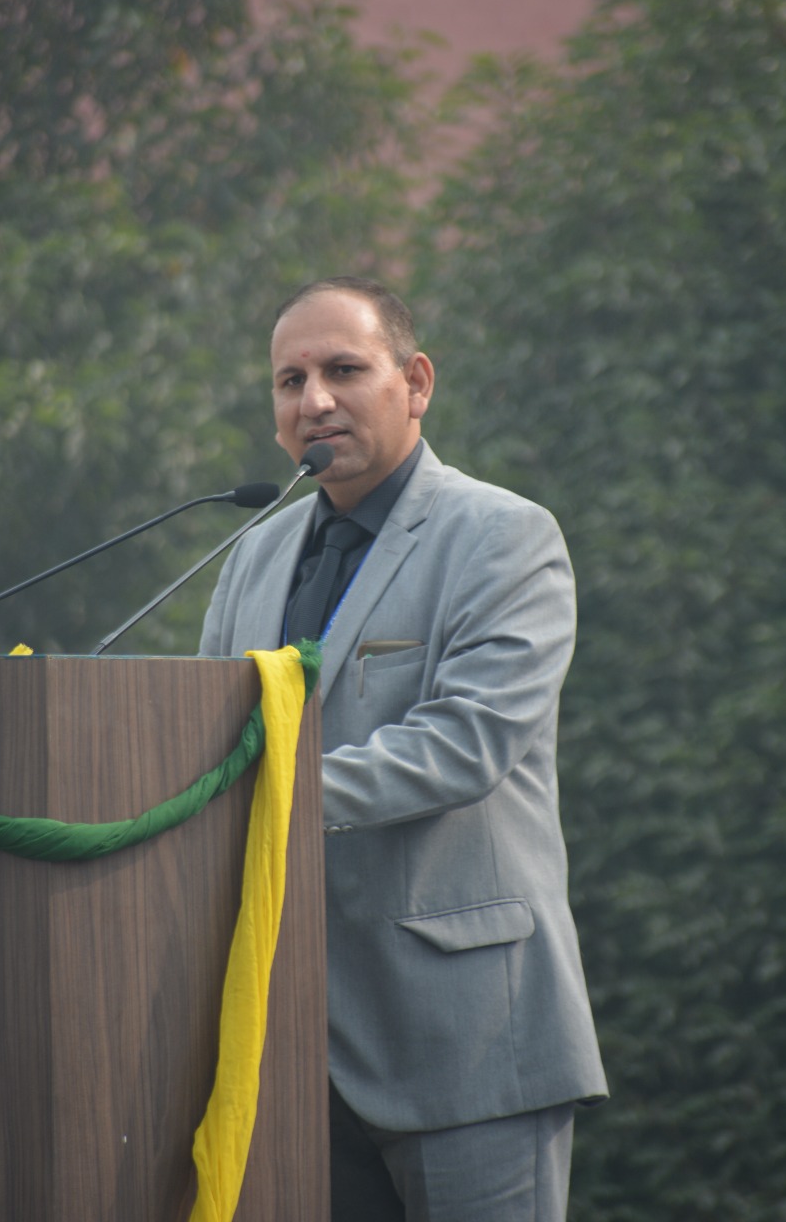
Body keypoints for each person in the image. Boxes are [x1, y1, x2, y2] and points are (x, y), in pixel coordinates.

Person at [199, 277, 608, 1221]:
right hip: (286, 1054)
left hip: (467, 1040)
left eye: (345, 370)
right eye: (290, 381)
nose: (315, 401)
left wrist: (265, 791)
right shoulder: (251, 558)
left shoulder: (503, 537)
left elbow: (467, 742)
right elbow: (206, 738)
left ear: (416, 383)